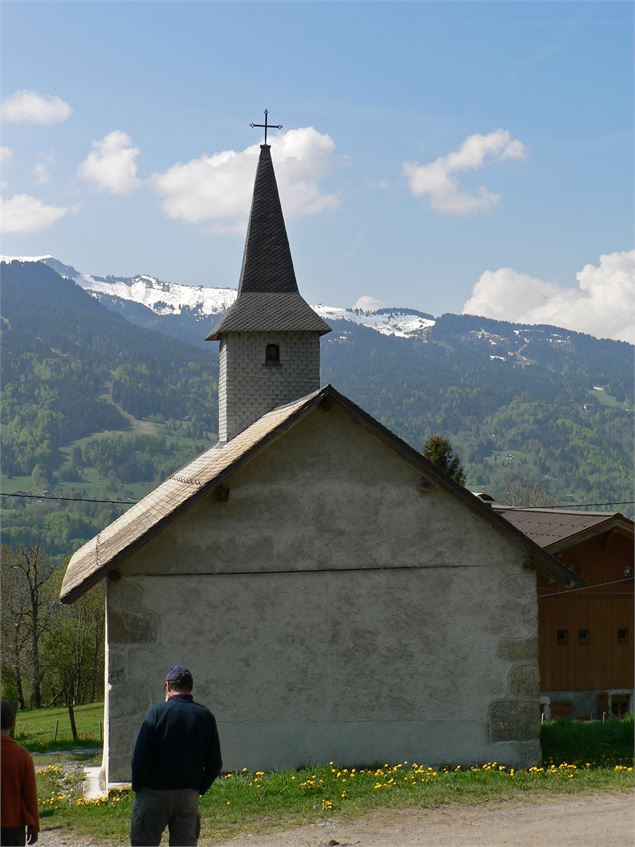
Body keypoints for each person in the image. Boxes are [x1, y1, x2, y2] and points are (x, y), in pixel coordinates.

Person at [130, 665, 222, 846]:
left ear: (168, 686)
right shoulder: (205, 716)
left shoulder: (157, 713)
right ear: (191, 687)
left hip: (154, 792)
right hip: (187, 794)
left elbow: (141, 756)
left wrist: (138, 785)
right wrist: (198, 788)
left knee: (144, 843)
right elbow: (215, 763)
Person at [1, 700, 40, 846]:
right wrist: (34, 826)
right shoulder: (22, 756)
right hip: (14, 827)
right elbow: (30, 796)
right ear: (11, 723)